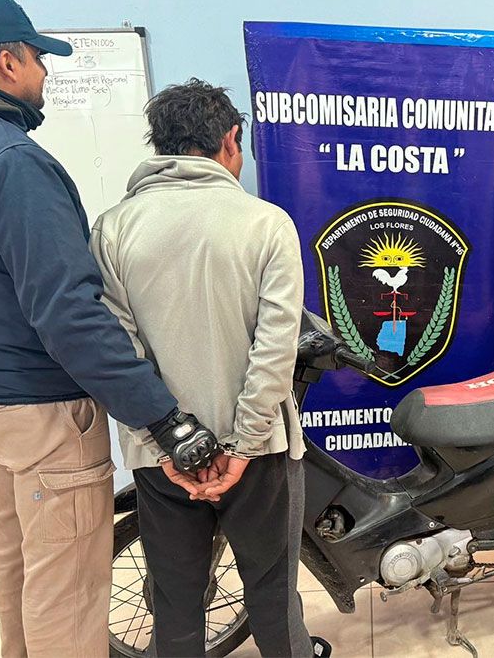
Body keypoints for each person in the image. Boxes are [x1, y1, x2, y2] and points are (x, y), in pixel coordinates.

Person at [0, 0, 220, 656]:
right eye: (38, 58)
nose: (44, 73)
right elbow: (67, 312)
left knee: (17, 553)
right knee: (67, 585)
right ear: (8, 63)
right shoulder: (12, 162)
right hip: (39, 410)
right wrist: (164, 419)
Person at [90, 78, 329, 658]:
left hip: (162, 457)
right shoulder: (266, 223)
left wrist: (167, 444)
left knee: (175, 602)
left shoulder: (113, 228)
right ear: (230, 140)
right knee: (272, 595)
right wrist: (243, 446)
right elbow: (274, 352)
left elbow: (119, 353)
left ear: (159, 144)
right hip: (260, 455)